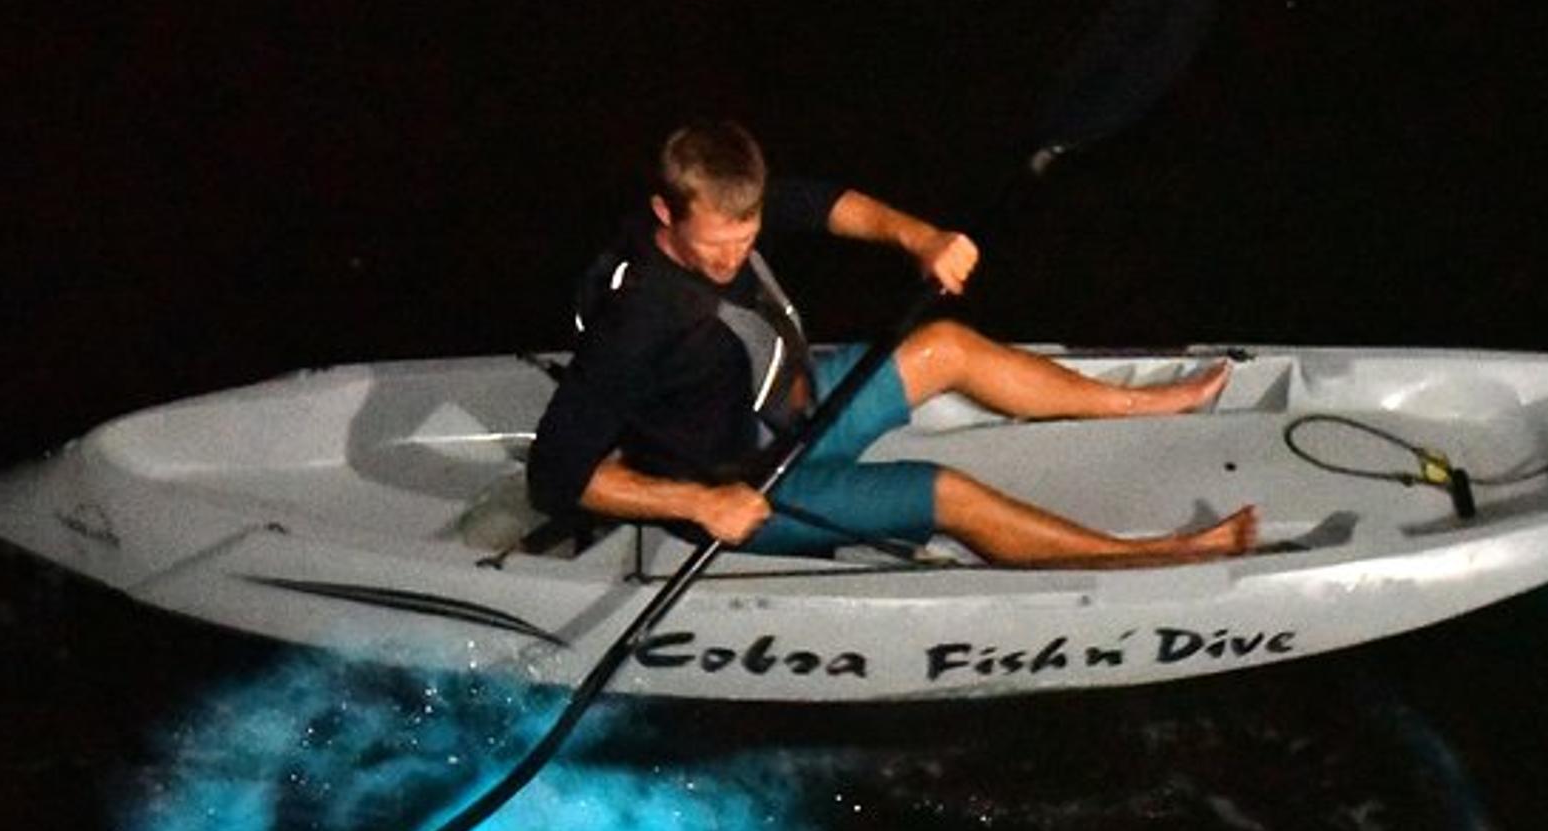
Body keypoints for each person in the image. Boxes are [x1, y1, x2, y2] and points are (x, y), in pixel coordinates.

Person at [528, 121, 1256, 567]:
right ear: (665, 210)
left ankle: (1146, 404)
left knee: (946, 344)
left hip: (795, 411)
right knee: (947, 494)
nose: (732, 257)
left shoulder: (727, 198)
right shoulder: (638, 320)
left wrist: (923, 237)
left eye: (746, 238)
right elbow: (557, 474)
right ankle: (1157, 555)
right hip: (745, 481)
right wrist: (700, 505)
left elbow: (826, 205)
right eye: (717, 247)